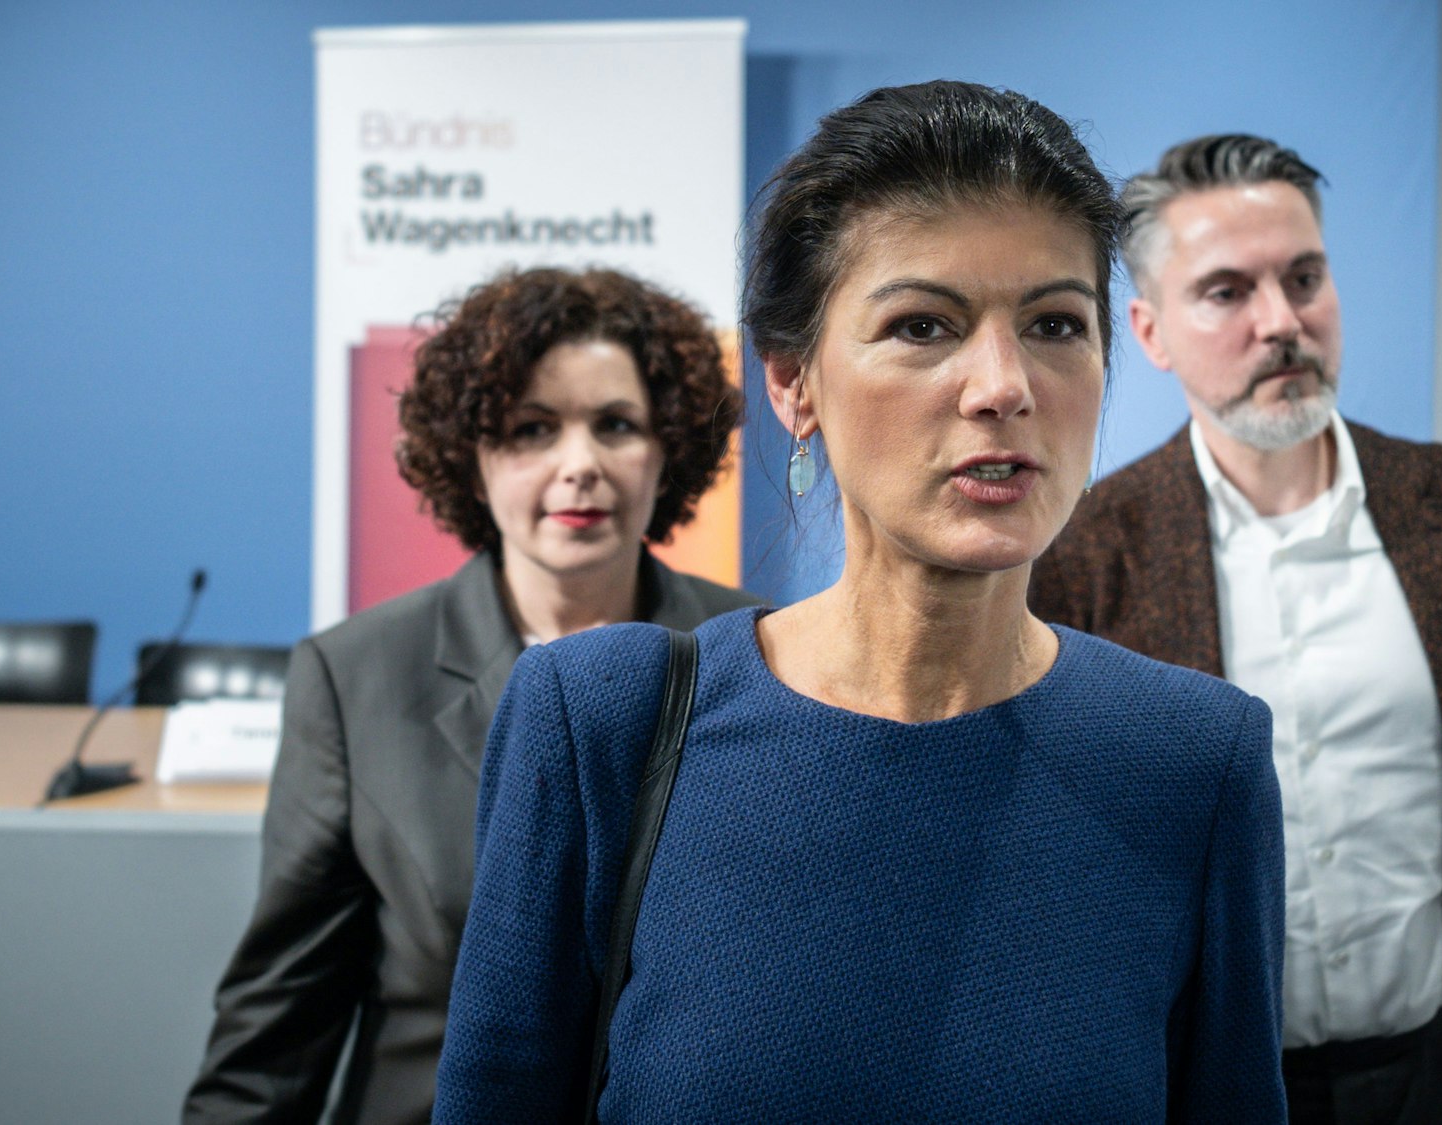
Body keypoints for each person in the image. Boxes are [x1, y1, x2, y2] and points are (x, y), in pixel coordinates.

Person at [432, 82, 1287, 1123]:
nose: (1002, 385)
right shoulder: (600, 720)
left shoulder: (1194, 759)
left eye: (1055, 323)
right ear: (793, 382)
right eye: (922, 325)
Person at [1030, 134, 1442, 1125]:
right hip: (1220, 1082)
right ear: (1150, 331)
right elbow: (1061, 860)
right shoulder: (1085, 557)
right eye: (1226, 291)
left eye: (1303, 279)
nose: (1281, 322)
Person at [183, 267, 762, 1125]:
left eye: (616, 424)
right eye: (532, 429)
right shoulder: (355, 676)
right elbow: (278, 1030)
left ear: (667, 446)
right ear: (473, 457)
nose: (580, 464)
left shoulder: (761, 653)